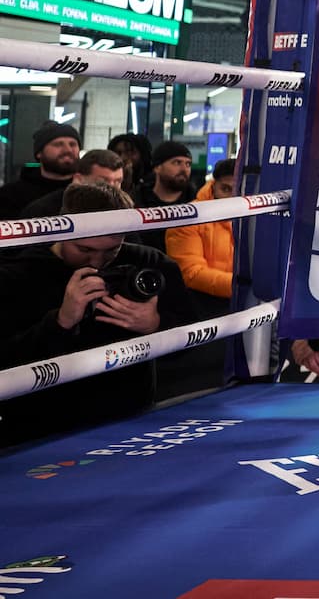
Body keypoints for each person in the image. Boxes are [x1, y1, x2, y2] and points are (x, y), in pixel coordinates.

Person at [0, 184, 193, 447]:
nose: (96, 262)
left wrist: (156, 326)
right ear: (62, 229)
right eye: (85, 250)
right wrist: (60, 322)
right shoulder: (18, 275)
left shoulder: (150, 264)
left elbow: (193, 338)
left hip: (129, 419)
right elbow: (6, 359)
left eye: (111, 251)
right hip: (40, 428)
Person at [164, 159, 240, 319]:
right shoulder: (188, 217)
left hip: (245, 305)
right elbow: (191, 273)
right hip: (200, 310)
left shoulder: (257, 216)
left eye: (239, 190)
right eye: (225, 189)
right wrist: (242, 285)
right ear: (213, 185)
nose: (232, 197)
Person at [0, 122, 81, 219]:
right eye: (58, 144)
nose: (68, 150)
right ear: (39, 153)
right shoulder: (10, 195)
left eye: (73, 144)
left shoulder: (87, 191)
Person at [22, 148, 124, 223]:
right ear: (78, 179)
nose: (112, 188)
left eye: (118, 182)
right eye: (103, 182)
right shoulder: (42, 212)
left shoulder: (124, 211)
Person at [135, 141, 197, 211]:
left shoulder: (199, 202)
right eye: (177, 163)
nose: (184, 169)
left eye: (188, 164)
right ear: (157, 167)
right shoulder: (137, 202)